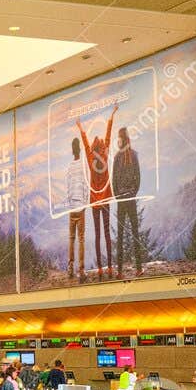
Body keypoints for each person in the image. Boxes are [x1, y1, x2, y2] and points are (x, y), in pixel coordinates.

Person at [78, 105, 117, 280]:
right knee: (107, 234)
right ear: (102, 146)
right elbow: (109, 136)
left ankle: (100, 269)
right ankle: (109, 267)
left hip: (94, 201)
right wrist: (111, 117)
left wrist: (81, 129)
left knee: (98, 234)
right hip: (106, 199)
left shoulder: (90, 156)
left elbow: (85, 143)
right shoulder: (106, 154)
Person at [112, 126, 144, 278]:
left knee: (120, 234)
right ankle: (138, 269)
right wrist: (133, 193)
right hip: (130, 199)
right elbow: (138, 178)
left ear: (121, 139)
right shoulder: (133, 155)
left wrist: (118, 196)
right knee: (135, 233)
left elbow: (114, 181)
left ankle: (119, 272)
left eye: (119, 138)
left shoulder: (117, 157)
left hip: (121, 201)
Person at [66, 137, 88, 282]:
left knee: (71, 238)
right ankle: (81, 270)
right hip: (80, 205)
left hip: (71, 206)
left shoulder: (69, 166)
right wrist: (85, 202)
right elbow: (86, 184)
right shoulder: (83, 165)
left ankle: (70, 268)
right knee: (81, 239)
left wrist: (69, 201)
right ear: (79, 148)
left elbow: (68, 186)